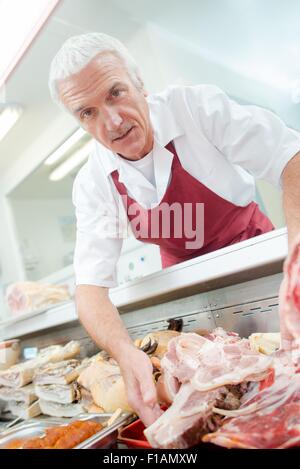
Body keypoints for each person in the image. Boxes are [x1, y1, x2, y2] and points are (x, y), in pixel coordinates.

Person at [49, 32, 300, 425]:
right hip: (189, 294)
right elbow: (90, 289)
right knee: (223, 400)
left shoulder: (195, 108)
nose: (112, 122)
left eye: (116, 93)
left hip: (259, 265)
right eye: (88, 112)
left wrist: (296, 261)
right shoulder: (94, 181)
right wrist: (124, 352)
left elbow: (290, 157)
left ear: (140, 84)